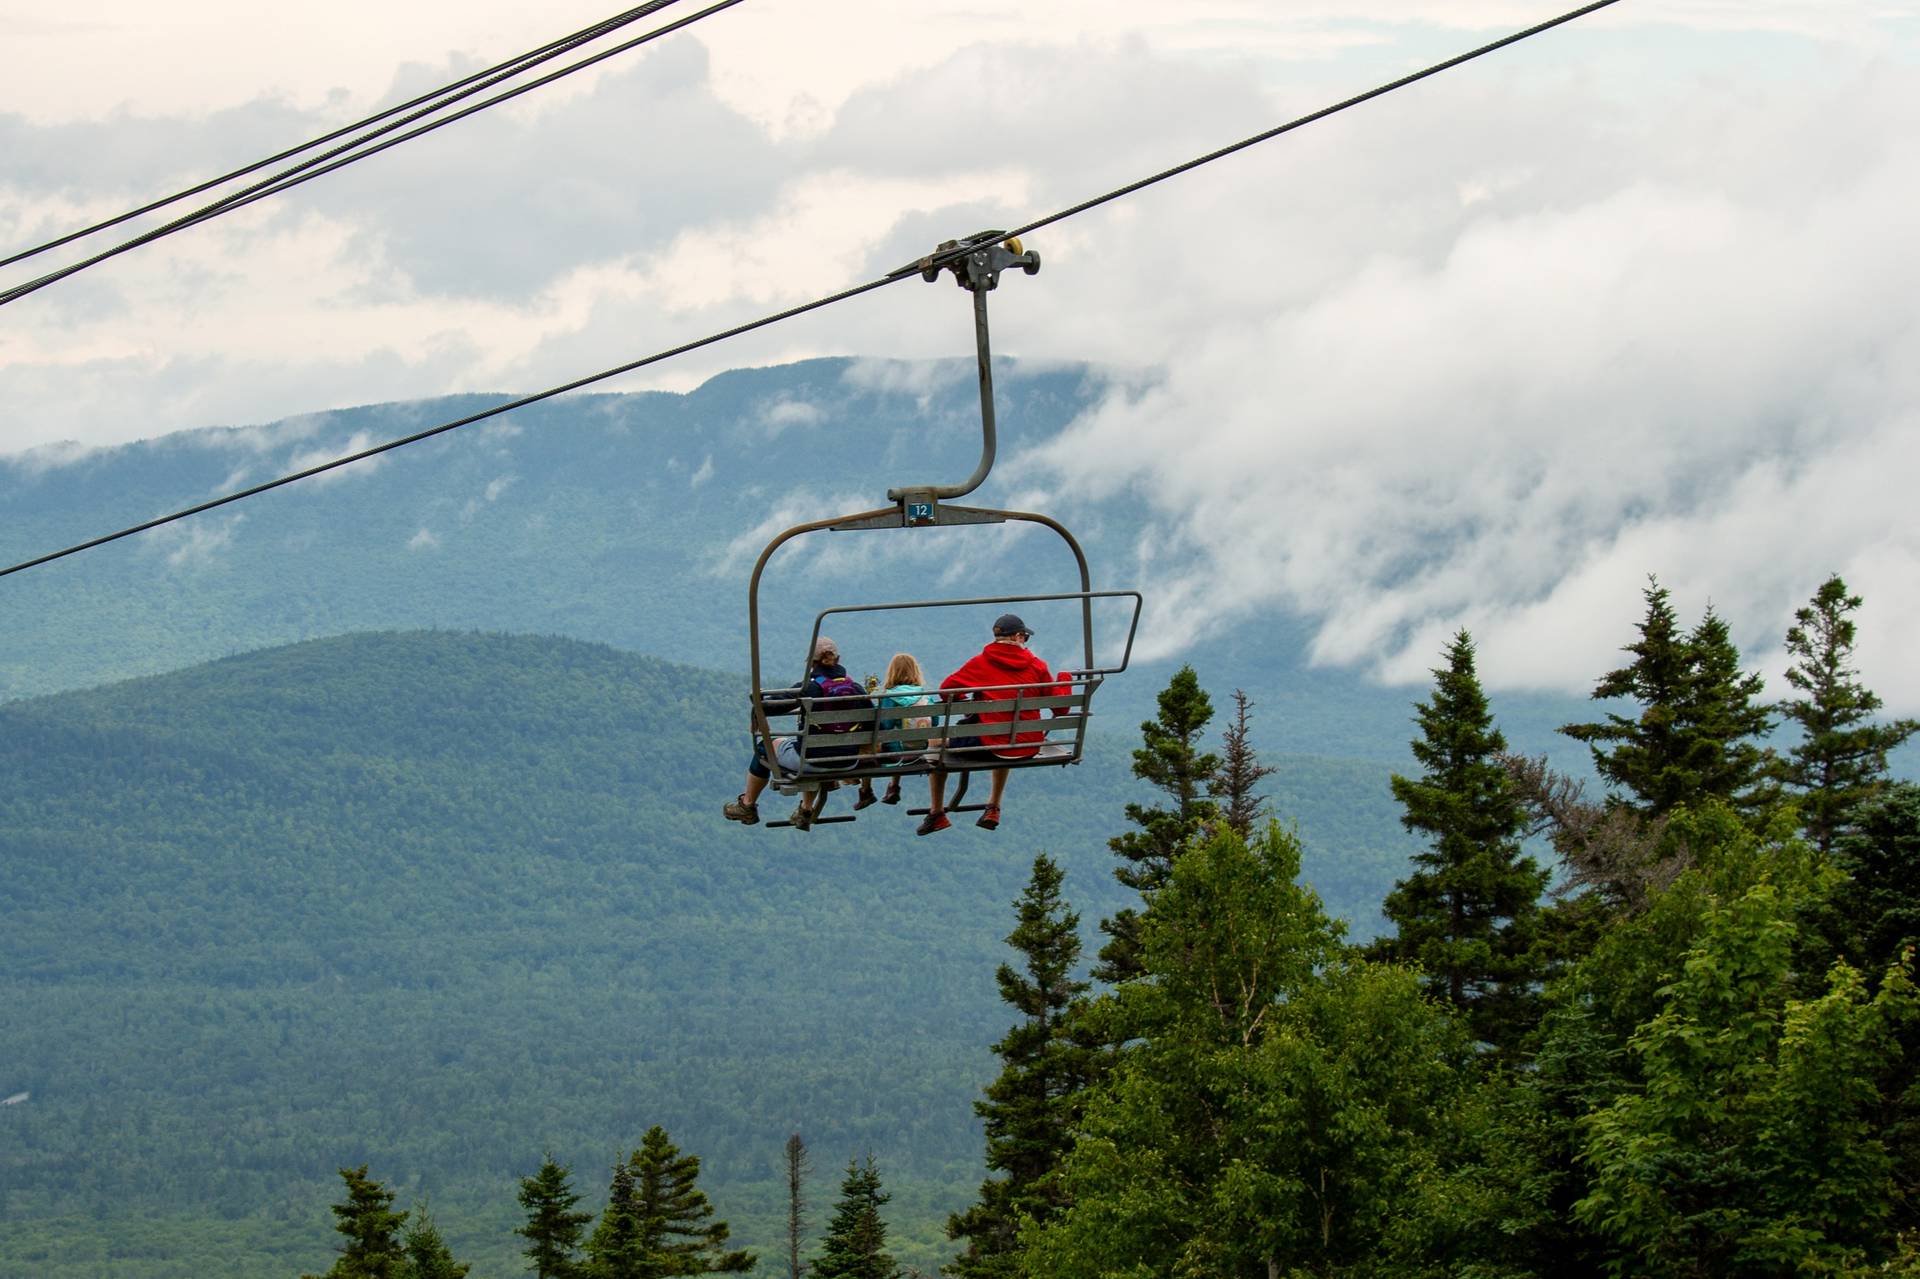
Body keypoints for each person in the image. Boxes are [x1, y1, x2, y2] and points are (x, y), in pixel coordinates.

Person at [918, 613, 1068, 836]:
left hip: (990, 743)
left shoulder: (980, 663)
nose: (1025, 641)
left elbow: (946, 690)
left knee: (936, 743)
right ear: (1018, 637)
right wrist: (1064, 678)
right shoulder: (1038, 665)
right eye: (1025, 637)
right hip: (1026, 745)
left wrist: (965, 696)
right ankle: (994, 807)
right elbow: (1061, 708)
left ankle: (937, 813)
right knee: (1007, 734)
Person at [724, 636, 872, 830]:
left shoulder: (809, 687)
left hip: (811, 761)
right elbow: (871, 720)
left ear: (811, 662)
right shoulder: (855, 688)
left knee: (765, 747)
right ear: (839, 659)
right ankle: (806, 809)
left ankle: (747, 805)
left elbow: (770, 708)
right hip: (848, 760)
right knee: (809, 746)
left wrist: (758, 699)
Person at [870, 652, 936, 807]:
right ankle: (893, 786)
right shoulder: (926, 696)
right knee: (900, 737)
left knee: (884, 740)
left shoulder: (888, 697)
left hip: (895, 753)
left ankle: (866, 791)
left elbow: (885, 725)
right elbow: (935, 722)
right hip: (919, 750)